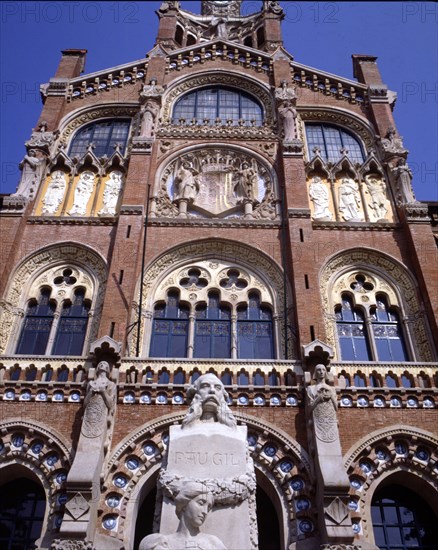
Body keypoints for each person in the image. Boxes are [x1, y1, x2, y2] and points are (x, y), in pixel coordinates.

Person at [139, 481, 226, 550]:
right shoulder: (162, 543)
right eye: (201, 503)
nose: (205, 511)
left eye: (208, 507)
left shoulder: (213, 543)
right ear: (184, 504)